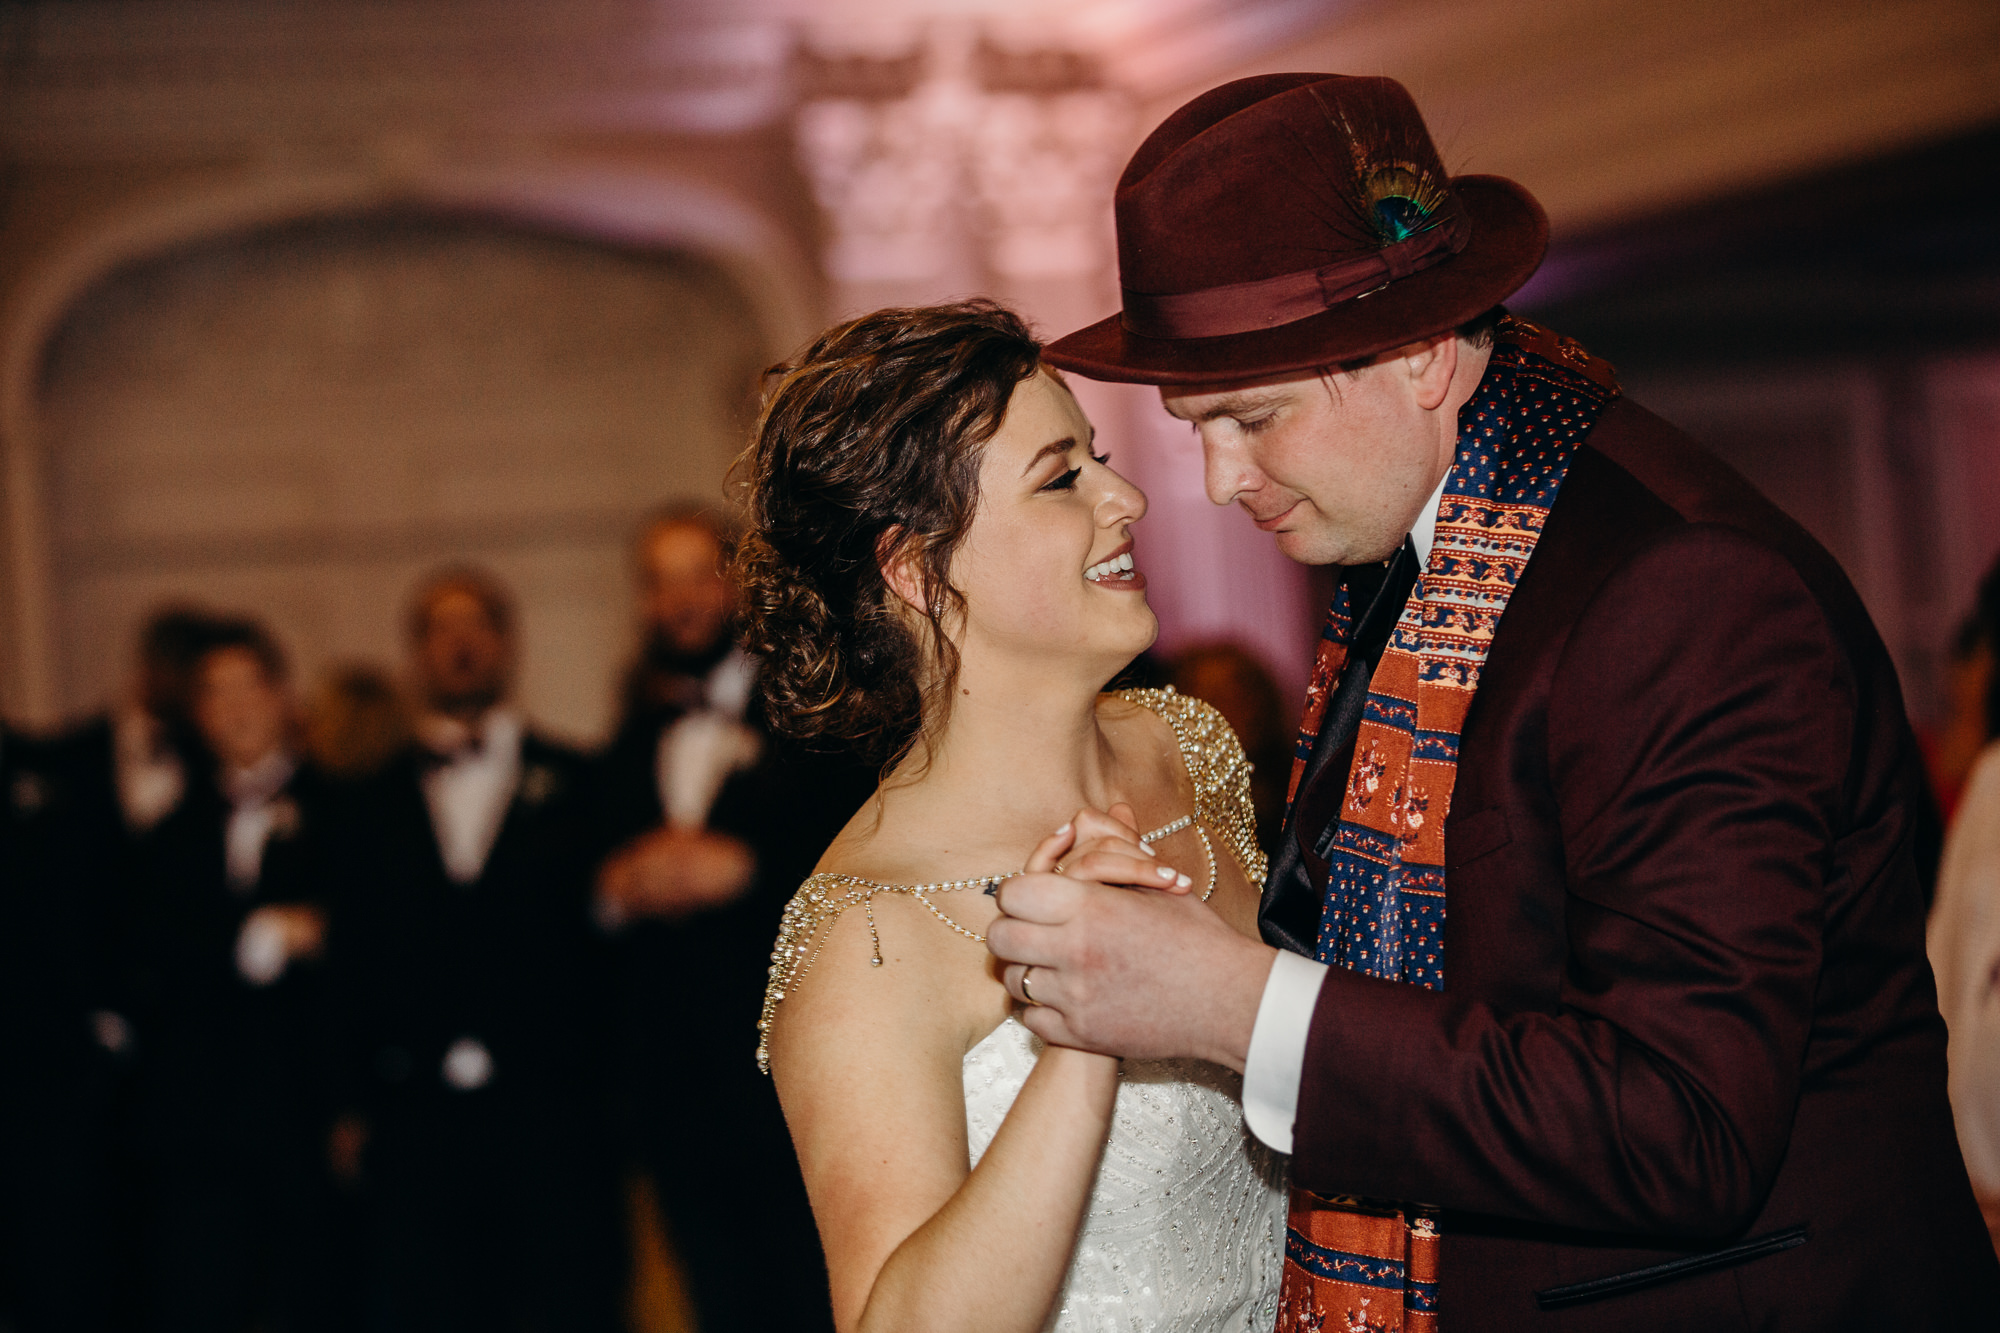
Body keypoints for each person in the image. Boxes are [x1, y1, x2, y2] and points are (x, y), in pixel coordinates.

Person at [983, 73, 2000, 1329]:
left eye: (1249, 419)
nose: (1214, 480)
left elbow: (1679, 1124)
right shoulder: (1433, 538)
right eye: (1196, 426)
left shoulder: (1683, 594)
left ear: (1415, 352)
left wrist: (1225, 1003)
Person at [746, 300, 1285, 1333]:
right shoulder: (864, 931)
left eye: (1099, 459)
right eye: (1060, 480)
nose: (1125, 497)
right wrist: (1084, 1025)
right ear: (915, 570)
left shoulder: (1191, 744)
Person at [588, 506, 867, 1333]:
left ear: (739, 580)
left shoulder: (817, 713)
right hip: (674, 1088)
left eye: (698, 572)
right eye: (659, 579)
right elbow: (584, 889)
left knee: (815, 1289)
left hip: (793, 1071)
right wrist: (615, 887)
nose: (681, 598)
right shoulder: (628, 733)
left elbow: (855, 855)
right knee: (715, 1295)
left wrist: (748, 871)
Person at [327, 568, 623, 1333]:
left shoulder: (585, 783)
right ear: (417, 653)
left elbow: (612, 965)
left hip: (552, 1117)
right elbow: (347, 965)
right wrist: (351, 1101)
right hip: (413, 1121)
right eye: (440, 629)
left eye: (476, 626)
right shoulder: (362, 803)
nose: (460, 644)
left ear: (506, 643)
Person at [127, 616, 340, 1332]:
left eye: (251, 686)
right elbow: (147, 962)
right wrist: (260, 935)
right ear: (197, 715)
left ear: (284, 695)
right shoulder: (165, 838)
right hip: (198, 1141)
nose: (238, 706)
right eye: (216, 693)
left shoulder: (351, 813)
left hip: (312, 1131)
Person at [1166, 642, 1290, 855]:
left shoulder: (1295, 786)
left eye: (1242, 692)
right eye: (1214, 698)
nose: (1233, 708)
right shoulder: (1171, 801)